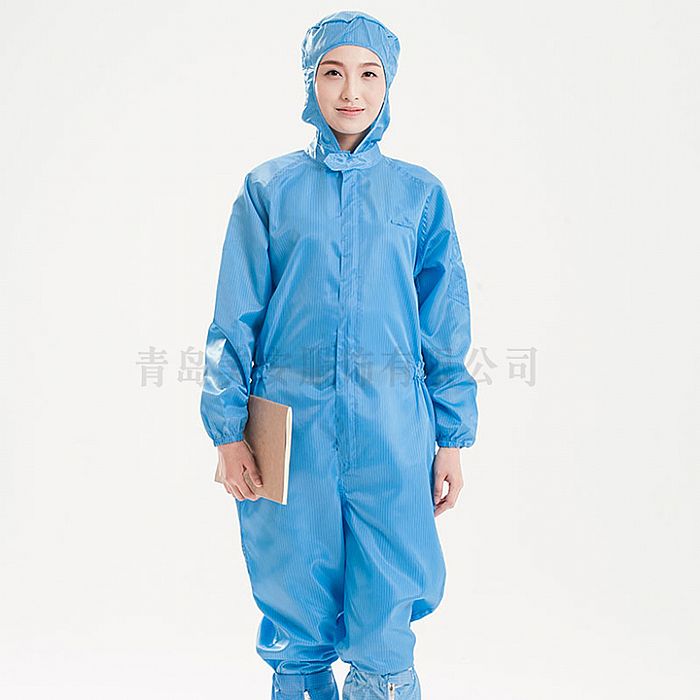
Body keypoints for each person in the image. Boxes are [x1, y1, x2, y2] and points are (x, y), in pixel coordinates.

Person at [200, 10, 478, 700]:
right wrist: (228, 432)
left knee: (387, 609)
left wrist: (450, 438)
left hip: (392, 429)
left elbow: (445, 327)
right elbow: (233, 319)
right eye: (333, 72)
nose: (351, 91)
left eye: (368, 74)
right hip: (288, 431)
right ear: (310, 82)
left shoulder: (418, 195)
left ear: (389, 84)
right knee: (294, 601)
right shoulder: (268, 190)